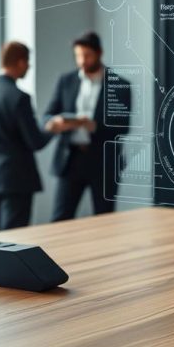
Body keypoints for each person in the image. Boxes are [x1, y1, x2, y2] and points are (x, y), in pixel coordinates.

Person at [44, 31, 129, 221]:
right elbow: (47, 114)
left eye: (87, 55)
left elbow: (123, 127)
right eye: (78, 55)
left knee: (104, 219)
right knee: (60, 218)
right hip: (70, 159)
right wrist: (54, 123)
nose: (82, 60)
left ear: (99, 53)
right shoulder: (66, 81)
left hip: (103, 162)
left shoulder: (119, 85)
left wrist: (94, 126)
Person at [0, 41, 53, 232]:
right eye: (28, 62)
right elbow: (35, 142)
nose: (29, 67)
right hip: (16, 178)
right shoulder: (19, 97)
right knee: (14, 235)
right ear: (21, 62)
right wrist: (52, 129)